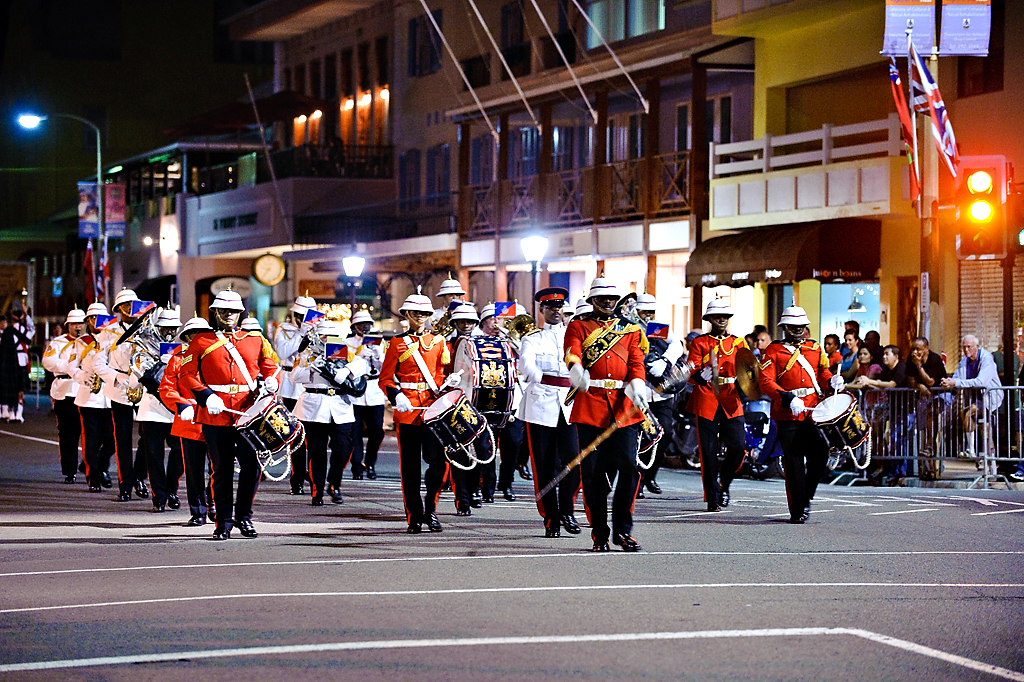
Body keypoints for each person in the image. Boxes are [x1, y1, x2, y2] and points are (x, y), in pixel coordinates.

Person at [180, 289, 281, 540]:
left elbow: (271, 367)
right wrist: (205, 395)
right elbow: (187, 374)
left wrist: (272, 382)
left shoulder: (255, 339)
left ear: (240, 313)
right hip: (216, 413)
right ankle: (223, 521)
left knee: (251, 467)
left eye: (233, 311)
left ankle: (244, 517)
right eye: (223, 311)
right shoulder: (201, 341)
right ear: (214, 312)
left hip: (248, 413)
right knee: (221, 470)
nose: (229, 315)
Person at [564, 277, 647, 552]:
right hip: (591, 406)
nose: (608, 303)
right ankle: (599, 533)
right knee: (593, 475)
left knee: (629, 468)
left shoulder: (631, 330)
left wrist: (637, 383)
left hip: (623, 408)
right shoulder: (578, 326)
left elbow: (636, 361)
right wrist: (576, 370)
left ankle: (623, 530)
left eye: (612, 299)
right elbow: (572, 352)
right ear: (592, 301)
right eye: (602, 299)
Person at [379, 291, 453, 533]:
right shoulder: (397, 343)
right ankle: (413, 515)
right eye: (416, 313)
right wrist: (396, 395)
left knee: (438, 463)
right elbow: (385, 379)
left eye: (425, 313)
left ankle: (430, 509)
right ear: (407, 314)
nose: (421, 317)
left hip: (433, 409)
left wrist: (451, 381)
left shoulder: (440, 341)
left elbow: (445, 374)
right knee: (409, 468)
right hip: (408, 409)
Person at [758, 306, 840, 524]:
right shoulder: (773, 350)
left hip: (812, 409)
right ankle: (798, 508)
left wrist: (831, 380)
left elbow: (822, 373)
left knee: (821, 453)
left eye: (801, 327)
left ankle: (805, 496)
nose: (798, 331)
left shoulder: (814, 347)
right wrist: (787, 398)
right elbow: (766, 381)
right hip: (787, 411)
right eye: (793, 327)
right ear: (785, 327)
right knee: (793, 460)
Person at [518, 287, 581, 537]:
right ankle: (550, 517)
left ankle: (567, 510)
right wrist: (553, 378)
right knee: (544, 466)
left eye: (559, 306)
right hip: (540, 405)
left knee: (574, 461)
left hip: (569, 405)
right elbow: (527, 366)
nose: (556, 310)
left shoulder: (573, 337)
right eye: (550, 307)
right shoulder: (532, 339)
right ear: (541, 310)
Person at [291, 319, 369, 506]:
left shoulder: (344, 351)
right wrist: (311, 367)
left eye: (331, 336)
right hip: (313, 406)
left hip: (339, 406)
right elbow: (294, 375)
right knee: (316, 451)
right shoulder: (307, 353)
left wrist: (347, 369)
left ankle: (334, 482)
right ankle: (317, 490)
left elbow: (362, 364)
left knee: (343, 447)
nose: (327, 339)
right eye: (323, 335)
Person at [685, 299, 748, 511]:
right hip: (707, 397)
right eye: (718, 316)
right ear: (710, 319)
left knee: (739, 446)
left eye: (725, 316)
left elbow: (749, 370)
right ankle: (712, 496)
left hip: (731, 397)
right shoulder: (700, 342)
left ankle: (725, 483)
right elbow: (689, 371)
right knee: (708, 451)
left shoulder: (739, 343)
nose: (722, 320)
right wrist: (699, 376)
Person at [91, 288, 150, 501]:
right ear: (118, 309)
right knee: (122, 438)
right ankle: (125, 485)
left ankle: (139, 477)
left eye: (132, 304)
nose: (129, 308)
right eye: (125, 305)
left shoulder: (147, 329)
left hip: (143, 387)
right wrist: (117, 377)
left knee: (148, 436)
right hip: (119, 387)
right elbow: (98, 363)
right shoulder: (108, 332)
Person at [159, 315, 213, 526]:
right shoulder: (177, 358)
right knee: (193, 469)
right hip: (189, 418)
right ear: (188, 337)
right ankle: (198, 510)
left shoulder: (218, 355)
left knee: (217, 468)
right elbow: (167, 387)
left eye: (202, 334)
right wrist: (181, 404)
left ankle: (215, 504)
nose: (198, 338)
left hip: (214, 415)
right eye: (194, 335)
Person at [132, 308, 185, 512]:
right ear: (158, 329)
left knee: (179, 453)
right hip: (152, 408)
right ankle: (159, 497)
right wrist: (153, 366)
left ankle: (172, 489)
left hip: (174, 408)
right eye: (165, 328)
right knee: (153, 456)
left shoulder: (183, 349)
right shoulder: (143, 351)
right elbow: (137, 381)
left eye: (173, 329)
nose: (170, 333)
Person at [474, 302, 525, 501]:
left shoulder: (513, 340)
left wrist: (513, 339)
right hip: (486, 401)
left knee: (513, 444)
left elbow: (525, 357)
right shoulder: (476, 340)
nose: (497, 323)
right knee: (486, 446)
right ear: (484, 321)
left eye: (501, 319)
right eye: (492, 319)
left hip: (512, 400)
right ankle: (486, 486)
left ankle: (507, 483)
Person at [635, 292, 684, 497]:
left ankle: (650, 476)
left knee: (665, 435)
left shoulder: (656, 328)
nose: (647, 315)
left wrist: (665, 360)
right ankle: (637, 480)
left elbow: (677, 345)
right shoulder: (631, 328)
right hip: (642, 392)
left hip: (661, 392)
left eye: (650, 311)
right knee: (641, 438)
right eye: (644, 311)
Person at [71, 302, 115, 492]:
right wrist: (82, 377)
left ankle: (101, 466)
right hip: (89, 396)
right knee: (91, 439)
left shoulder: (114, 340)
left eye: (101, 318)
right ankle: (94, 477)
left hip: (110, 395)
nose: (97, 322)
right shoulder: (81, 343)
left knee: (112, 440)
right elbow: (71, 367)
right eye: (93, 318)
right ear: (88, 321)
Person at [274, 295, 316, 495]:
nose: (305, 319)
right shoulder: (284, 330)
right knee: (295, 435)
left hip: (313, 382)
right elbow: (283, 353)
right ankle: (297, 477)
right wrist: (301, 334)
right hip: (291, 384)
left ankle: (316, 477)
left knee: (315, 435)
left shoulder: (322, 330)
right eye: (302, 315)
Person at [41, 307, 86, 483]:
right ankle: (69, 470)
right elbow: (48, 361)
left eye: (80, 323)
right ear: (68, 325)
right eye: (74, 324)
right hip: (65, 390)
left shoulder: (93, 342)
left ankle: (90, 464)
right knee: (68, 433)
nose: (77, 327)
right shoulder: (58, 343)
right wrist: (68, 367)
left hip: (87, 390)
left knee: (94, 432)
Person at [346, 309, 386, 480]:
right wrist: (358, 354)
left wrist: (378, 355)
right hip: (355, 390)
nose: (365, 327)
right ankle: (357, 465)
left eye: (368, 324)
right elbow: (343, 364)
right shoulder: (347, 342)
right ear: (354, 326)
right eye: (361, 324)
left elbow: (384, 367)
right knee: (354, 432)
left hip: (374, 389)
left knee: (377, 430)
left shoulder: (379, 341)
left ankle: (370, 462)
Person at [1, 303, 34, 422]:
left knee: (16, 388)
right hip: (17, 362)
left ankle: (15, 412)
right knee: (16, 389)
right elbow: (32, 329)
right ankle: (15, 412)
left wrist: (25, 315)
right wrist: (26, 314)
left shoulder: (11, 331)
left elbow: (31, 328)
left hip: (16, 362)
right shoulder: (19, 331)